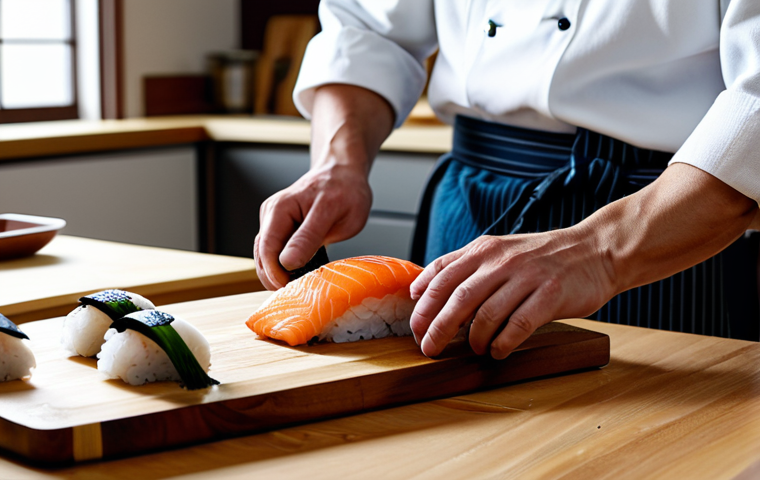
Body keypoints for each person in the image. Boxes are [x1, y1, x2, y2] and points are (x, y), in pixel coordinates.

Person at [254, 1, 760, 359]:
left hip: (667, 215)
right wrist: (337, 162)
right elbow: (366, 29)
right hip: (470, 203)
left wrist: (599, 253)